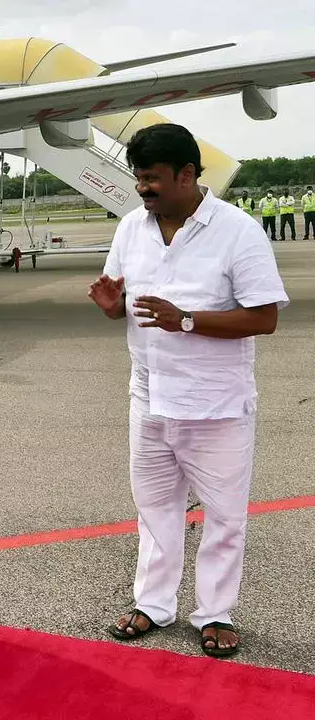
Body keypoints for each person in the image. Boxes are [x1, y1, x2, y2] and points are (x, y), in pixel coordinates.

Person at [88, 123, 287, 659]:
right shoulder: (132, 228)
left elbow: (264, 318)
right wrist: (111, 308)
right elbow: (120, 297)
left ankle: (216, 613)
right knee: (154, 508)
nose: (142, 188)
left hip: (216, 404)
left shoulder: (237, 231)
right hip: (148, 397)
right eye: (138, 177)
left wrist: (187, 321)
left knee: (224, 515)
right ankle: (153, 605)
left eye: (152, 179)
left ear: (187, 175)